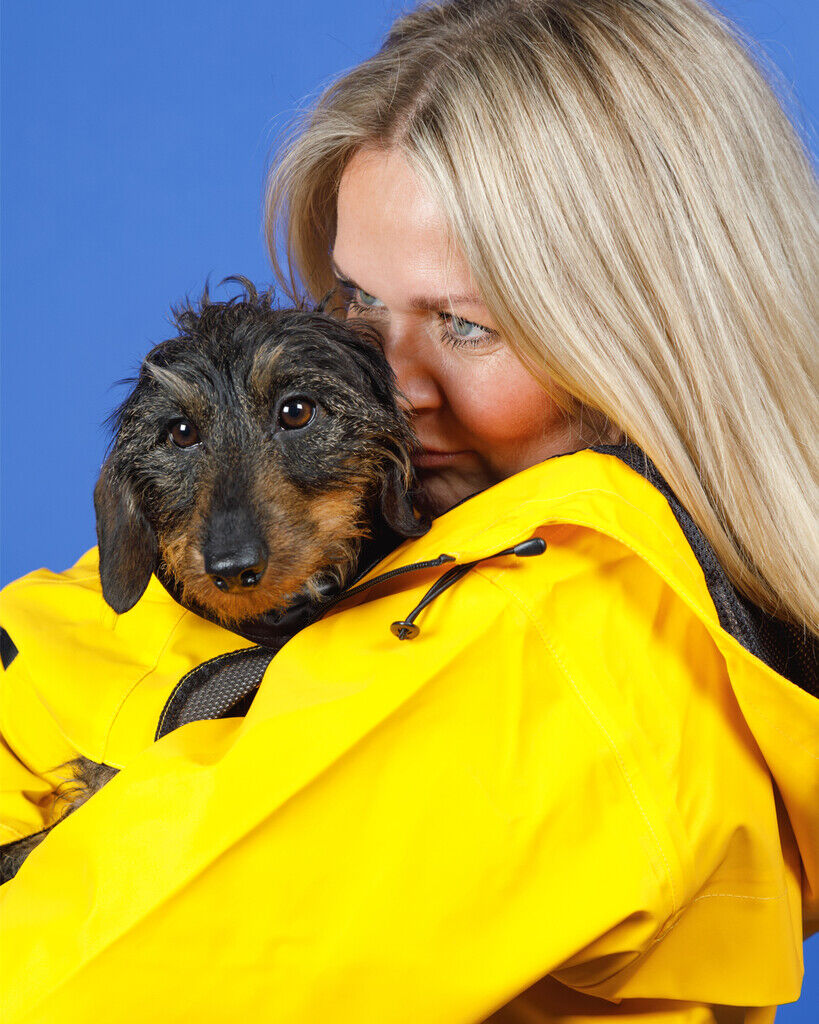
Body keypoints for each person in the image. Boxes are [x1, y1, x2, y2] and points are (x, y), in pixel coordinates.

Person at [0, 0, 816, 1021]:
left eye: (466, 325)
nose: (383, 383)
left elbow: (79, 989)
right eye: (356, 301)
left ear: (643, 340)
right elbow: (56, 649)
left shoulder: (560, 631)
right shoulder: (429, 549)